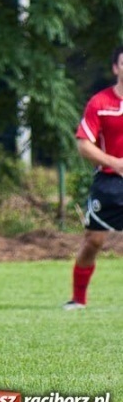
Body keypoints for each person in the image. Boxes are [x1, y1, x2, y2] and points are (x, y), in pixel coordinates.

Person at [64, 45, 123, 310]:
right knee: (93, 240)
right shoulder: (100, 103)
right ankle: (78, 299)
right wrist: (115, 163)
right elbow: (84, 144)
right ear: (115, 68)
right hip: (109, 183)